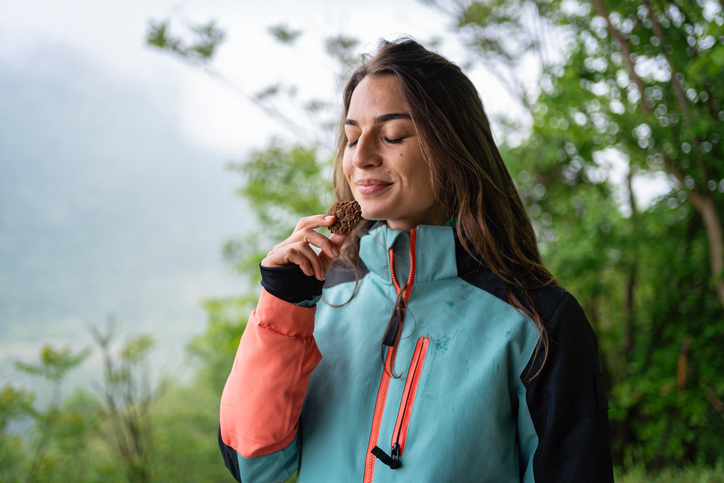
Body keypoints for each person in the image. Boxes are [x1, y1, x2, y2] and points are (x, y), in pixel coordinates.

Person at [219, 38, 613, 482]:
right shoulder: (320, 299)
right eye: (351, 138)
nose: (362, 156)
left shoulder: (539, 321)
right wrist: (282, 306)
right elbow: (254, 465)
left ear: (453, 146)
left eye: (392, 136)